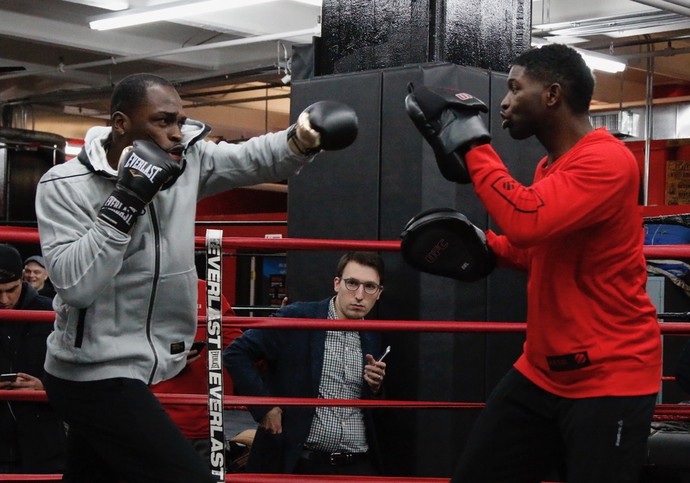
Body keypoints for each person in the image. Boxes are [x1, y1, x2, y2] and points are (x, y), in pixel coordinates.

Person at [34, 73, 357, 483]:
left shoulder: (186, 162)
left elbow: (248, 157)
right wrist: (126, 201)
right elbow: (76, 284)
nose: (175, 133)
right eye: (163, 122)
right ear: (120, 123)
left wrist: (299, 139)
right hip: (90, 373)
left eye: (179, 122)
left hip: (148, 367)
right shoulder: (63, 185)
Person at [406, 44, 662, 482]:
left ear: (552, 95)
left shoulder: (608, 161)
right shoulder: (550, 166)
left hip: (609, 378)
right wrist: (484, 246)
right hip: (541, 372)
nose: (503, 102)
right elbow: (533, 246)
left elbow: (527, 219)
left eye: (515, 88)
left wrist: (470, 139)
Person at [224, 251, 388, 476]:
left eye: (369, 287)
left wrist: (376, 387)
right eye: (352, 283)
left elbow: (369, 405)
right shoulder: (299, 317)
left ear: (378, 293)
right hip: (303, 462)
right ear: (337, 283)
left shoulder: (373, 335)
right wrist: (264, 407)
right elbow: (236, 352)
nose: (360, 295)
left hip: (357, 463)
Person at [150, 279, 241, 465]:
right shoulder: (137, 288)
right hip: (151, 418)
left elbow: (242, 350)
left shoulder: (206, 291)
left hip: (191, 422)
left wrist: (275, 324)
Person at [0, 244, 66, 474]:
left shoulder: (49, 313)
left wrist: (44, 387)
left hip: (42, 440)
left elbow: (76, 369)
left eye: (11, 289)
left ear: (22, 279)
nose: (4, 299)